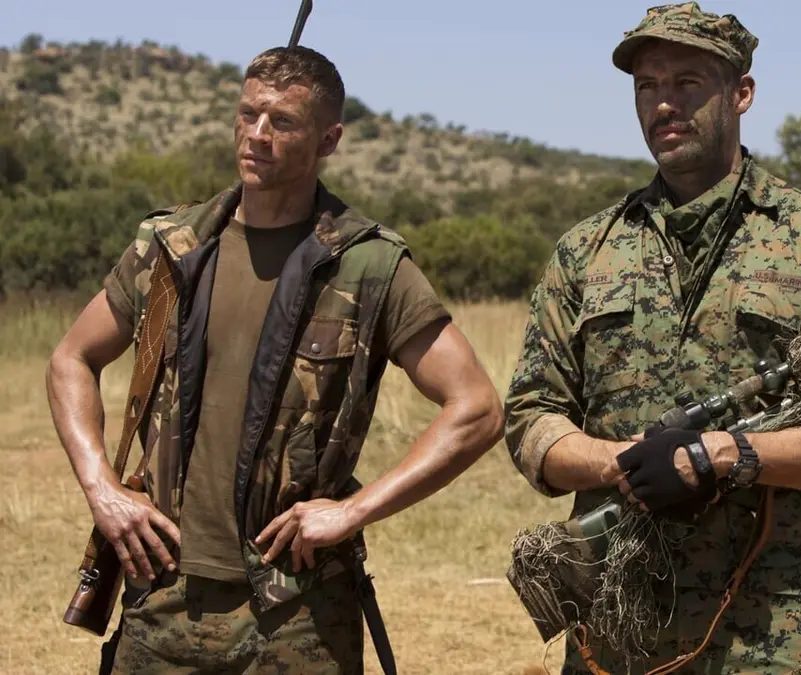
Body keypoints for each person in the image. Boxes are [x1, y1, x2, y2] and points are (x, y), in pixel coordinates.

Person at [46, 45, 504, 673]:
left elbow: (477, 408)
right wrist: (101, 487)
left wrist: (353, 512)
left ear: (328, 139)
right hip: (161, 594)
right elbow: (70, 359)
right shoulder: (172, 246)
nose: (257, 134)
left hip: (299, 611)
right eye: (248, 114)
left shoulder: (367, 264)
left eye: (282, 121)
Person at [503, 3, 801, 673]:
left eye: (687, 83)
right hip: (619, 627)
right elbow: (530, 416)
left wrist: (724, 455)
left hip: (770, 631)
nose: (664, 104)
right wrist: (615, 462)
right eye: (648, 86)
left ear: (742, 93)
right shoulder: (586, 251)